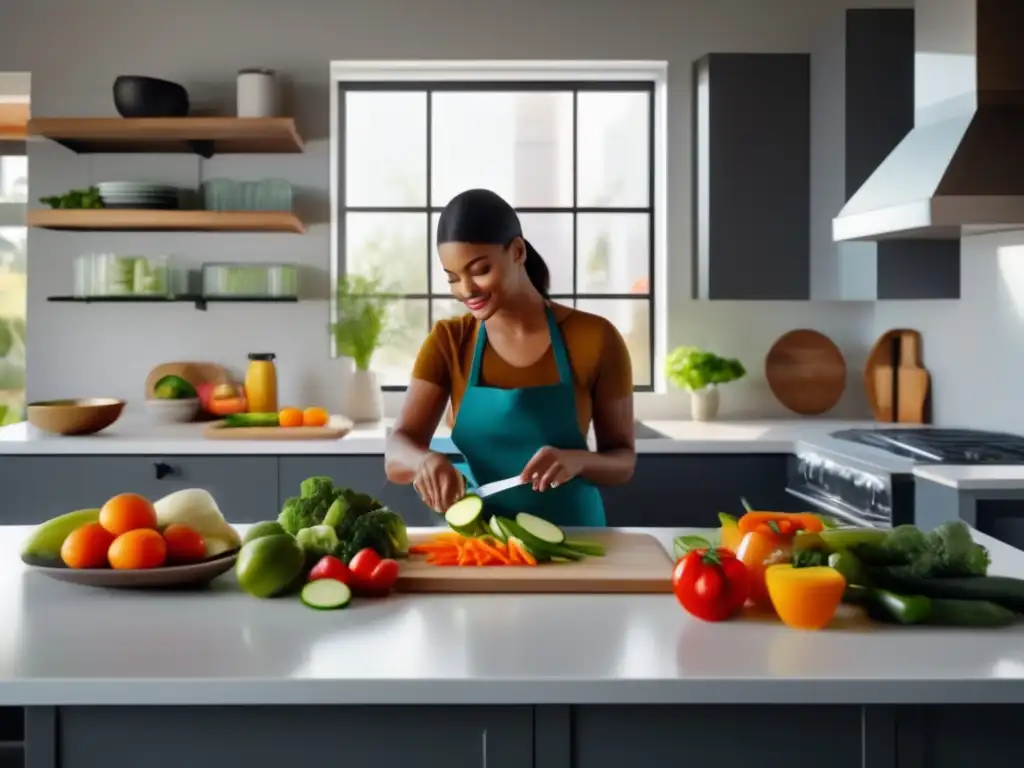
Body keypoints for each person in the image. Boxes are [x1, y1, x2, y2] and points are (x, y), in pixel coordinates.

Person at [384, 188, 637, 527]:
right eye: (453, 278)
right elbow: (397, 450)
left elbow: (622, 462)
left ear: (517, 251)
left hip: (577, 539)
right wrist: (424, 461)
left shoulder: (595, 338)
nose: (467, 289)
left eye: (480, 269)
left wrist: (577, 461)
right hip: (478, 542)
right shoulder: (449, 341)